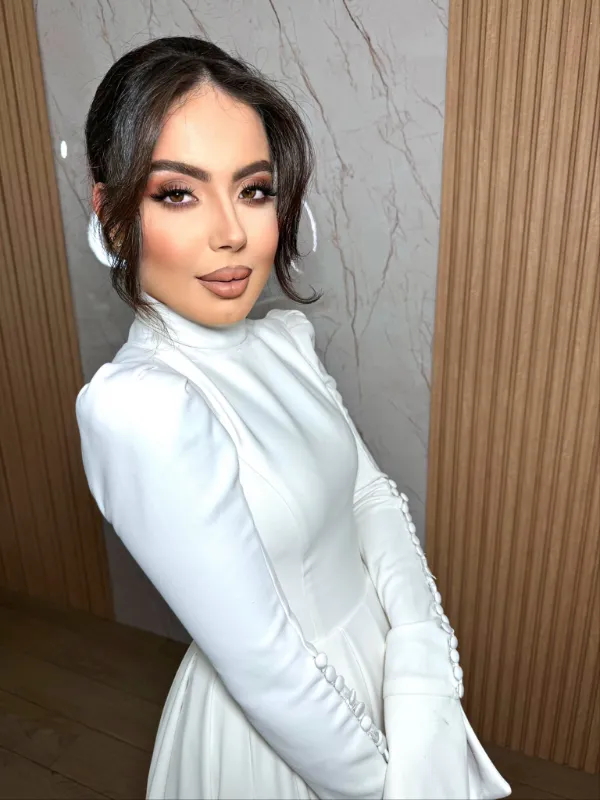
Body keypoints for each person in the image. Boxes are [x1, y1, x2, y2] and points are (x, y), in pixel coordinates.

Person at [76, 36, 511, 800]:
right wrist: (390, 786)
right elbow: (267, 666)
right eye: (178, 193)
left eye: (253, 190)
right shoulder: (140, 407)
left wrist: (421, 670)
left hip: (382, 670)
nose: (231, 232)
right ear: (112, 215)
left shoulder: (284, 341)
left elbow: (369, 500)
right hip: (287, 743)